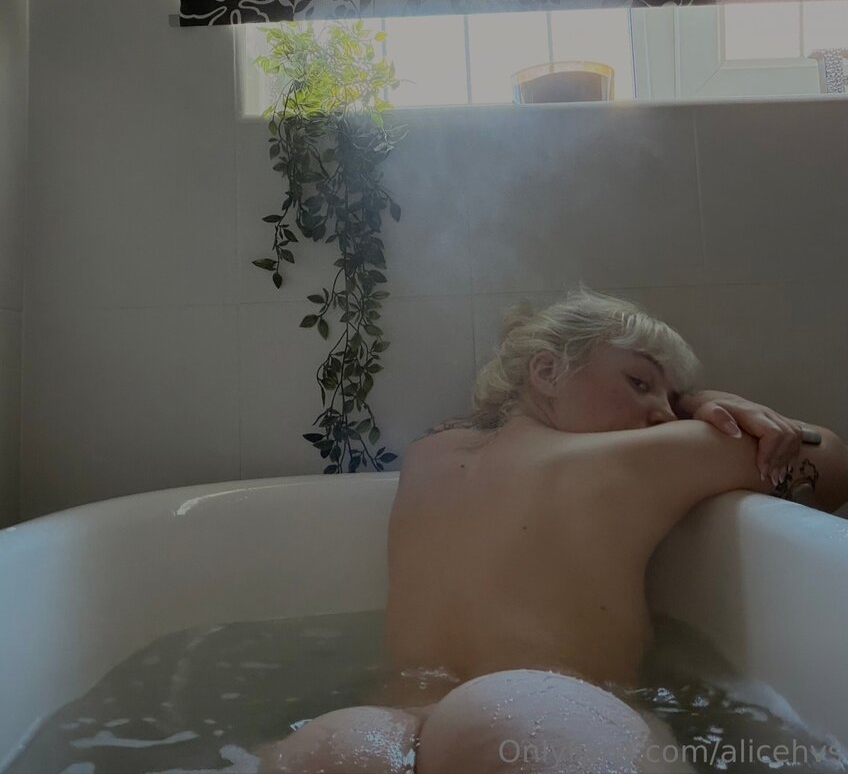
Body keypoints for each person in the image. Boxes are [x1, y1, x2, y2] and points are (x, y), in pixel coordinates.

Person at [257, 288, 848, 773]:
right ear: (546, 370)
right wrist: (706, 405)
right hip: (535, 713)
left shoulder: (428, 454)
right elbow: (832, 464)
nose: (663, 414)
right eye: (640, 383)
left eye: (674, 400)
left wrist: (666, 399)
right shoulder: (635, 459)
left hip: (359, 732)